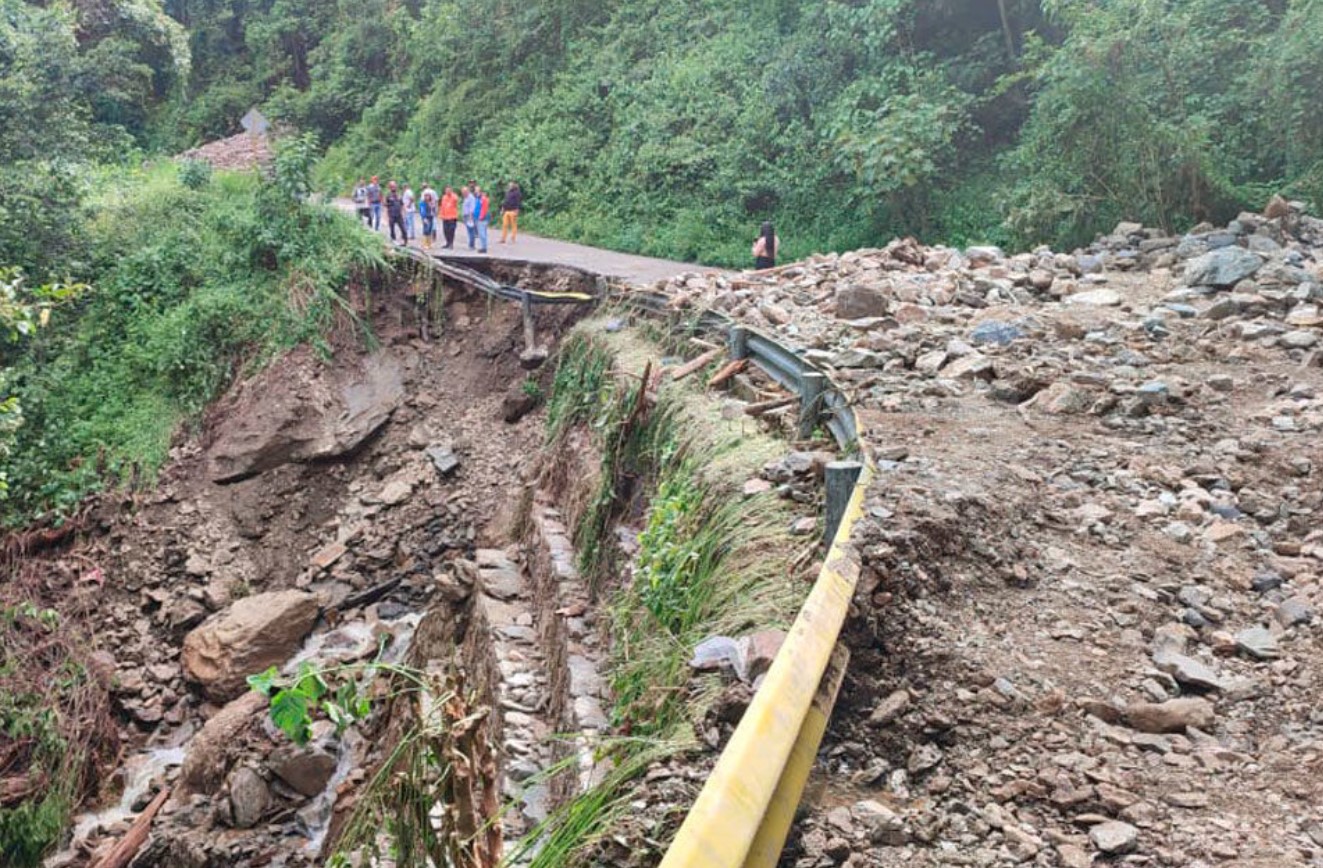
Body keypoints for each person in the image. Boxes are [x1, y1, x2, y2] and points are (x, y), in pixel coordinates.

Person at [419, 183, 437, 249]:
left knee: (430, 229)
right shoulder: (422, 203)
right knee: (426, 229)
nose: (427, 197)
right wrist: (424, 218)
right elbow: (422, 211)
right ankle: (424, 244)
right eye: (426, 196)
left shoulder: (431, 202)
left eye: (428, 196)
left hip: (431, 217)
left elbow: (434, 209)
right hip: (425, 217)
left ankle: (429, 243)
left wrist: (434, 211)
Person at [461, 183, 478, 250]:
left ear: (467, 191)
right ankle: (471, 245)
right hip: (466, 216)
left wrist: (470, 217)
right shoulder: (466, 198)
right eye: (462, 192)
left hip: (470, 216)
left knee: (471, 231)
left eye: (464, 192)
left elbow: (472, 208)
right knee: (469, 231)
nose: (463, 193)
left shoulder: (471, 198)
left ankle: (472, 245)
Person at [475, 186, 490, 254]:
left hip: (482, 218)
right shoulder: (478, 198)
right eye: (475, 190)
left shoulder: (483, 199)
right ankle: (483, 246)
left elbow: (484, 209)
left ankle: (484, 247)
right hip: (478, 217)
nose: (476, 191)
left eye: (477, 190)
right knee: (482, 233)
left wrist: (481, 216)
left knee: (482, 233)